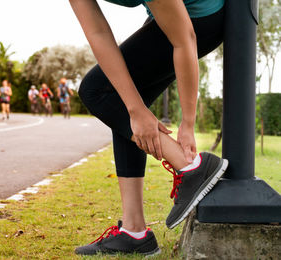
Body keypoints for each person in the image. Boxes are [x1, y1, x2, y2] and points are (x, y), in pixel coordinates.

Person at [70, 0, 228, 256]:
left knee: (96, 90)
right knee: (122, 98)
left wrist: (188, 123)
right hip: (167, 17)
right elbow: (97, 32)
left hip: (203, 18)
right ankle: (134, 232)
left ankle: (192, 168)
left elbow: (184, 37)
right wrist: (136, 109)